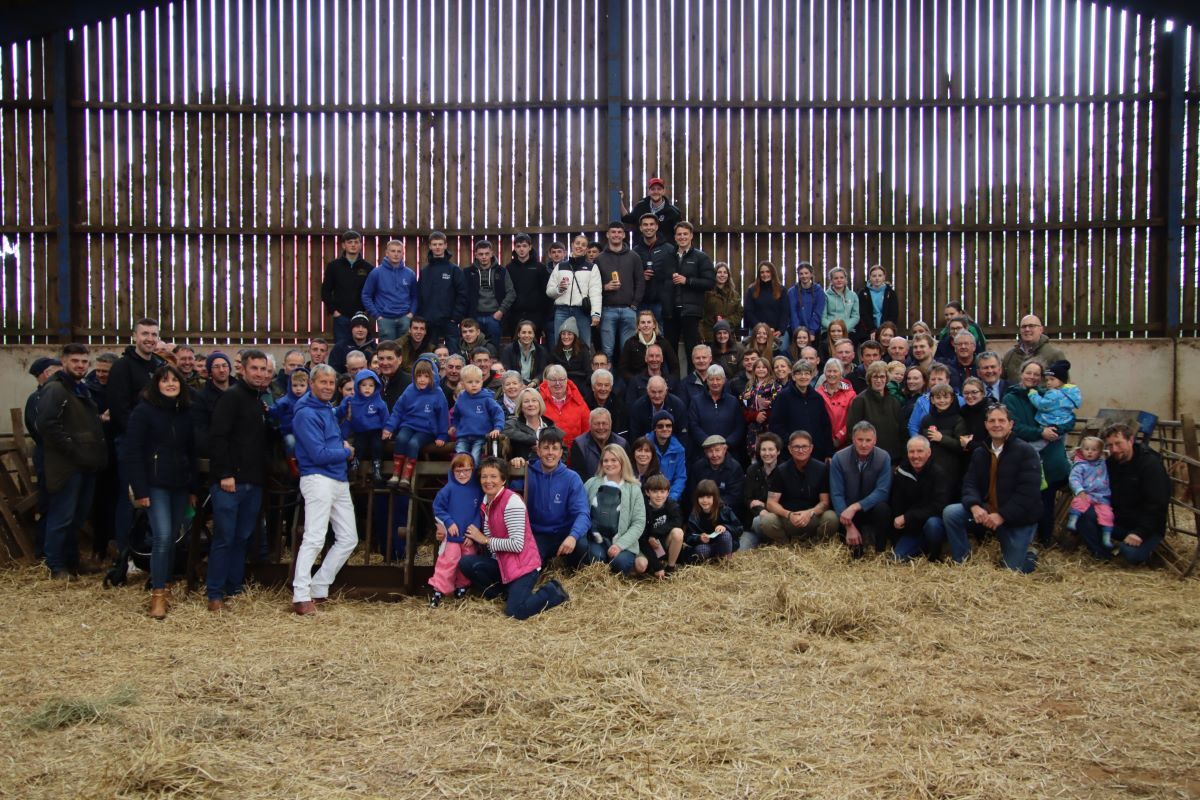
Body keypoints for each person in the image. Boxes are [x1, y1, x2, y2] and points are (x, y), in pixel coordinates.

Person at [120, 364, 195, 617]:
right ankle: (158, 594)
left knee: (173, 537)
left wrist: (193, 486)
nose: (171, 384)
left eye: (175, 380)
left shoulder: (186, 411)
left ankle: (167, 583)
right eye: (165, 380)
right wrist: (140, 489)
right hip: (155, 485)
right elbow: (132, 453)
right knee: (162, 537)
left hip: (180, 484)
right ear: (157, 384)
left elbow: (192, 451)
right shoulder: (144, 412)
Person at [459, 458, 571, 619]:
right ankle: (503, 594)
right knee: (467, 563)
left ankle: (552, 591)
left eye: (493, 476)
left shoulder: (512, 502)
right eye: (484, 476)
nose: (488, 481)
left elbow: (517, 544)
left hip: (522, 566)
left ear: (503, 480)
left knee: (515, 611)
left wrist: (483, 540)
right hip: (502, 563)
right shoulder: (485, 502)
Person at [206, 349, 273, 611]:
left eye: (263, 369)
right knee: (224, 536)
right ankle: (215, 593)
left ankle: (234, 586)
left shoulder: (258, 401)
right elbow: (218, 437)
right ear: (242, 370)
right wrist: (225, 474)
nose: (259, 373)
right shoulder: (230, 398)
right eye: (254, 368)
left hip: (253, 481)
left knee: (242, 536)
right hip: (230, 482)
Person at [289, 364, 357, 615]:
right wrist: (346, 452)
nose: (328, 387)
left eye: (331, 383)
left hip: (337, 479)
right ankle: (301, 593)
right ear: (311, 384)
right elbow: (318, 453)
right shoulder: (306, 413)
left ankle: (318, 585)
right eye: (323, 383)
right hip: (318, 478)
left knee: (349, 538)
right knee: (315, 537)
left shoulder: (325, 408)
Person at [942, 405, 1043, 573]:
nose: (996, 424)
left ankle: (1029, 555)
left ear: (1010, 424)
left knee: (1012, 571)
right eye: (992, 421)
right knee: (951, 513)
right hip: (988, 511)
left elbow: (1028, 493)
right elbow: (970, 483)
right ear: (986, 425)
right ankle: (962, 561)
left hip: (1017, 517)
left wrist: (1002, 515)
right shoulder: (981, 452)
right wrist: (974, 506)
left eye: (1001, 420)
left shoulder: (1026, 451)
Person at [37, 344, 107, 579]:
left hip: (86, 465)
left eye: (84, 362)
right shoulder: (55, 389)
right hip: (66, 467)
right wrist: (73, 450)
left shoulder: (80, 388)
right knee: (62, 517)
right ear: (64, 362)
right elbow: (47, 425)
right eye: (75, 361)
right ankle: (56, 566)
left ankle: (72, 561)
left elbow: (78, 422)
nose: (80, 365)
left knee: (77, 518)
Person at [1075, 423, 1170, 565]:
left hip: (1146, 526)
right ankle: (1102, 556)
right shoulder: (1111, 464)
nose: (1114, 449)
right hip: (1118, 521)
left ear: (1131, 440)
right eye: (1110, 445)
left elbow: (1157, 505)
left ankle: (1144, 551)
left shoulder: (1150, 465)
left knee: (1130, 554)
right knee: (1082, 512)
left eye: (1118, 443)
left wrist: (1140, 532)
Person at [1004, 359, 1071, 547]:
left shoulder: (1050, 396)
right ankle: (1024, 540)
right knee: (1025, 499)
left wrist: (1057, 429)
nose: (1032, 377)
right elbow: (1014, 426)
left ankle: (1045, 542)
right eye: (1029, 372)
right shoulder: (1011, 398)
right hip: (1024, 455)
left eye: (1036, 374)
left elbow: (1067, 417)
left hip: (1048, 456)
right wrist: (1040, 433)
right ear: (1021, 373)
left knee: (1046, 500)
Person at [754, 431, 839, 546]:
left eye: (804, 446)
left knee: (831, 517)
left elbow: (825, 502)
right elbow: (771, 503)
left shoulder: (821, 469)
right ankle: (787, 547)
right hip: (788, 519)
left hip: (812, 518)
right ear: (789, 449)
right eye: (796, 447)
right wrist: (789, 514)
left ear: (811, 448)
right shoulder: (781, 470)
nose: (800, 450)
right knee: (767, 521)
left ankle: (815, 546)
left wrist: (809, 513)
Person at [525, 431, 593, 569]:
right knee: (531, 567)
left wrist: (573, 536)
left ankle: (570, 568)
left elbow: (582, 513)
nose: (550, 453)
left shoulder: (571, 478)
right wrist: (515, 465)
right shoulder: (527, 473)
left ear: (561, 453)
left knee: (582, 546)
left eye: (555, 448)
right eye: (546, 448)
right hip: (537, 534)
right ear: (538, 451)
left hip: (564, 533)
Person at [383, 358, 450, 491]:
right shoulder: (410, 390)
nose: (422, 380)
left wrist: (442, 435)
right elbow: (398, 410)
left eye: (426, 376)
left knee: (413, 443)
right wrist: (389, 427)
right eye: (419, 376)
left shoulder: (438, 393)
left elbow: (443, 416)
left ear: (433, 376)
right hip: (409, 424)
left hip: (426, 430)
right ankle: (396, 473)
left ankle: (406, 477)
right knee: (401, 438)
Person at [830, 422, 893, 556]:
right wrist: (848, 525)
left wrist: (857, 506)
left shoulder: (884, 457)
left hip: (870, 508)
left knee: (883, 508)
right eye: (860, 440)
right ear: (853, 439)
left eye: (868, 440)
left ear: (875, 440)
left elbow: (883, 492)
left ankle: (880, 551)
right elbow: (836, 494)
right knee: (855, 556)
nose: (864, 444)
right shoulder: (839, 458)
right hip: (847, 512)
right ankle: (856, 546)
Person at [584, 445, 647, 575]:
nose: (609, 464)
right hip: (597, 539)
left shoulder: (633, 489)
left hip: (622, 542)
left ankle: (631, 561)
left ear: (622, 462)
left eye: (614, 460)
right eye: (605, 461)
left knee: (620, 563)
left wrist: (620, 545)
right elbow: (582, 510)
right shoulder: (592, 483)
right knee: (596, 560)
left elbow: (639, 522)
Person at [429, 454, 482, 607]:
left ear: (472, 470)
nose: (462, 474)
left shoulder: (477, 490)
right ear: (452, 472)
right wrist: (448, 522)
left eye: (466, 470)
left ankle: (462, 587)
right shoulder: (448, 489)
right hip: (452, 537)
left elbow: (479, 512)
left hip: (468, 537)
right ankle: (439, 589)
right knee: (448, 561)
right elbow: (438, 507)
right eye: (458, 471)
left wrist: (473, 533)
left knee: (468, 560)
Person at [890, 436, 951, 561]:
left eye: (920, 451)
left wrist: (907, 517)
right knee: (897, 558)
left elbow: (939, 507)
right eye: (912, 452)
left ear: (928, 453)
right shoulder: (901, 472)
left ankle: (935, 555)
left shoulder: (938, 473)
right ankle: (918, 548)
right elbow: (896, 503)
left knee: (932, 525)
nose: (915, 456)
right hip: (912, 529)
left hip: (931, 523)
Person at [663, 221, 716, 362]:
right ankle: (672, 382)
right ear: (674, 237)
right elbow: (662, 282)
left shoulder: (701, 257)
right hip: (671, 311)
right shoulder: (668, 257)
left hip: (691, 311)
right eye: (679, 234)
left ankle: (692, 381)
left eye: (685, 234)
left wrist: (687, 281)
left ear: (691, 236)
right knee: (670, 351)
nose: (682, 237)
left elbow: (710, 282)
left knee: (691, 350)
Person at [595, 221, 645, 360]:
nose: (616, 235)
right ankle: (605, 381)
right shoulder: (600, 259)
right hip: (607, 310)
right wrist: (605, 287)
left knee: (627, 351)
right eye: (613, 232)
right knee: (607, 351)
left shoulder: (634, 257)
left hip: (628, 310)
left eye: (619, 232)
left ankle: (626, 381)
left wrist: (634, 304)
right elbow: (593, 286)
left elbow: (640, 282)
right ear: (608, 235)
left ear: (623, 235)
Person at [768, 360, 834, 461]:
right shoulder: (783, 397)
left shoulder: (817, 398)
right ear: (793, 376)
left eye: (807, 373)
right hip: (790, 454)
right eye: (799, 373)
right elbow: (775, 425)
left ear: (811, 376)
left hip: (816, 454)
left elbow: (825, 426)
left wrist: (828, 452)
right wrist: (791, 442)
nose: (803, 377)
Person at [417, 231, 469, 352]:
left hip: (449, 320)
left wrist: (456, 317)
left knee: (454, 354)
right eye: (434, 244)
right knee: (429, 353)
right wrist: (422, 316)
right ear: (430, 246)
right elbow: (419, 295)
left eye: (440, 244)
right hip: (429, 320)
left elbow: (462, 294)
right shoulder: (425, 271)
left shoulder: (454, 270)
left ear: (445, 245)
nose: (437, 247)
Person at [321, 230, 375, 345]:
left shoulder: (368, 268)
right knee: (342, 348)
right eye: (350, 242)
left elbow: (374, 292)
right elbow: (325, 291)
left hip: (361, 317)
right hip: (341, 317)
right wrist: (334, 311)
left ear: (360, 245)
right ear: (343, 245)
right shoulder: (334, 267)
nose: (353, 245)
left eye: (356, 242)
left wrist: (367, 311)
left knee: (362, 349)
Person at [337, 369, 389, 484]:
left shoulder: (379, 402)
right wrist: (343, 406)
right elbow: (340, 412)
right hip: (360, 431)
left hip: (376, 431)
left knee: (377, 446)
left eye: (371, 385)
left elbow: (385, 417)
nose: (367, 388)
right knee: (358, 447)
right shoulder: (352, 400)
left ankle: (377, 469)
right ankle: (354, 467)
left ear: (376, 387)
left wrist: (387, 429)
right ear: (357, 386)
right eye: (364, 385)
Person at [361, 238, 418, 341]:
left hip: (404, 318)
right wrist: (377, 315)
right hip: (385, 318)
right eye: (393, 251)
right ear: (387, 253)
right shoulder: (376, 273)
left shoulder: (410, 274)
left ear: (402, 254)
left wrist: (411, 314)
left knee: (404, 350)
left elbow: (415, 296)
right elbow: (366, 295)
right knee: (387, 351)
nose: (396, 254)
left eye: (399, 251)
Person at [546, 235, 602, 341]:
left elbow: (596, 292)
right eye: (577, 243)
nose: (579, 246)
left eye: (583, 245)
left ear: (586, 249)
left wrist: (596, 313)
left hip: (582, 312)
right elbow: (549, 291)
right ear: (572, 245)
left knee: (584, 344)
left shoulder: (592, 268)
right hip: (561, 311)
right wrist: (559, 289)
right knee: (560, 345)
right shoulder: (560, 266)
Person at [846, 361, 904, 461]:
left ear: (886, 379)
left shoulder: (894, 401)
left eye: (882, 377)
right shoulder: (860, 400)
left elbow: (900, 429)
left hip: (893, 457)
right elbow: (852, 430)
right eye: (875, 377)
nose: (879, 380)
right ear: (869, 379)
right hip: (869, 456)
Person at [462, 239, 516, 344]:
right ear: (476, 255)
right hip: (475, 316)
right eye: (481, 254)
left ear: (491, 253)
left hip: (494, 316)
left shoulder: (502, 271)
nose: (484, 257)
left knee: (493, 348)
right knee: (474, 348)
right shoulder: (468, 272)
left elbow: (511, 293)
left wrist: (501, 311)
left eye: (487, 254)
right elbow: (462, 294)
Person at [917, 384, 967, 495]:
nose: (942, 401)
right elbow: (919, 442)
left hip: (950, 470)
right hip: (929, 469)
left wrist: (941, 438)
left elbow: (961, 446)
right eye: (938, 398)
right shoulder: (927, 419)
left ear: (952, 399)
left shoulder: (958, 420)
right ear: (932, 400)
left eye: (945, 397)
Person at [449, 365, 505, 464]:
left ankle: (473, 477)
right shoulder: (461, 399)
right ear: (463, 384)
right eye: (470, 382)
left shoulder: (487, 399)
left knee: (475, 458)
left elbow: (498, 413)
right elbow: (456, 415)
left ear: (482, 382)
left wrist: (497, 428)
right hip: (463, 436)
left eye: (477, 382)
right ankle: (462, 477)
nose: (474, 385)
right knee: (460, 457)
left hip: (480, 436)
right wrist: (454, 426)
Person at [1066, 436, 1115, 548]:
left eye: (1094, 450)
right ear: (1082, 450)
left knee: (1107, 514)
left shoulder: (1103, 464)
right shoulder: (1080, 466)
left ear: (1100, 452)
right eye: (1087, 449)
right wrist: (1079, 490)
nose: (1090, 452)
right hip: (1086, 493)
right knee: (1079, 502)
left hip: (1101, 496)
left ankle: (1106, 536)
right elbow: (1074, 479)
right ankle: (1073, 521)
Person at [502, 387, 562, 469]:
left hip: (548, 473)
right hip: (522, 473)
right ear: (521, 406)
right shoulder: (512, 424)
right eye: (526, 401)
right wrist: (533, 440)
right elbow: (505, 431)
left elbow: (563, 453)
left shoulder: (551, 427)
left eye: (534, 400)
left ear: (540, 404)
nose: (531, 404)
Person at [504, 234, 552, 338]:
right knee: (516, 346)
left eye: (524, 246)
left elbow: (545, 293)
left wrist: (544, 317)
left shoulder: (540, 267)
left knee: (534, 346)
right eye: (518, 246)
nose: (521, 249)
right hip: (515, 315)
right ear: (515, 248)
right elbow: (506, 292)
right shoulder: (509, 268)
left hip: (535, 315)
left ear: (530, 247)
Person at [741, 433, 782, 548]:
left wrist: (764, 506)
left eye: (771, 449)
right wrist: (761, 511)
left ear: (778, 451)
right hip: (753, 524)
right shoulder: (752, 470)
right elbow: (748, 499)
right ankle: (763, 543)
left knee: (761, 520)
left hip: (777, 521)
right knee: (740, 551)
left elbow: (787, 501)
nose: (767, 453)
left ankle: (774, 542)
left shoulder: (784, 471)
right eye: (763, 449)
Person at [688, 434, 745, 517]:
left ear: (725, 449)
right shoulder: (697, 467)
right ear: (705, 452)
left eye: (717, 450)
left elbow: (735, 496)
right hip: (702, 509)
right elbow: (693, 492)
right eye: (710, 451)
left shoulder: (735, 468)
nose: (714, 455)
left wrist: (714, 504)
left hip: (727, 511)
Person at [740, 356, 784, 462]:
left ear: (768, 370)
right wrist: (744, 397)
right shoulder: (750, 385)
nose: (761, 369)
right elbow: (742, 401)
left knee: (769, 448)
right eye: (758, 367)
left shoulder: (774, 385)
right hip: (753, 426)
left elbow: (779, 401)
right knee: (754, 450)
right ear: (754, 370)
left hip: (768, 424)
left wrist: (770, 404)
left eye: (764, 367)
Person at [537, 364, 591, 450]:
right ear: (547, 381)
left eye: (561, 379)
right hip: (547, 455)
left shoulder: (578, 400)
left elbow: (588, 430)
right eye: (553, 380)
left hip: (575, 454)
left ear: (566, 380)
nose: (558, 383)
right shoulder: (538, 401)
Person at [686, 480, 740, 563]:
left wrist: (725, 527)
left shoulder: (724, 510)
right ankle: (712, 561)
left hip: (723, 545)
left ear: (715, 498)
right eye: (701, 497)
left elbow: (739, 528)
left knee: (725, 535)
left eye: (708, 497)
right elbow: (688, 536)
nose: (704, 501)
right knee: (701, 550)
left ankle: (726, 560)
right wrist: (699, 538)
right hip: (707, 547)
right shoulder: (694, 514)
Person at [1001, 315, 1067, 383]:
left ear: (1041, 330)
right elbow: (1001, 383)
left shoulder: (1054, 354)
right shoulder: (1010, 356)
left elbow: (1065, 385)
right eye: (1024, 327)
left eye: (1031, 326)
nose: (1027, 329)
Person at [743, 261, 791, 355]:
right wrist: (762, 329)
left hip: (777, 332)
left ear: (772, 273)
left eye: (768, 272)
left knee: (782, 352)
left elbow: (785, 312)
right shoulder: (752, 290)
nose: (765, 274)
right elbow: (748, 312)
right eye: (762, 272)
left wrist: (780, 330)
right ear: (759, 274)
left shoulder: (781, 290)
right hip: (757, 330)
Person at [641, 474, 685, 576]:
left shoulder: (672, 505)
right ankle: (653, 567)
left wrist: (655, 534)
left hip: (663, 542)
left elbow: (677, 522)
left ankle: (670, 567)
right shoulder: (642, 507)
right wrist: (657, 567)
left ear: (668, 492)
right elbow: (642, 538)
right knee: (640, 567)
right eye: (655, 491)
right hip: (646, 545)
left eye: (662, 491)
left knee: (678, 532)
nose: (659, 495)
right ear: (647, 492)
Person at [268, 367, 309, 475]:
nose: (298, 389)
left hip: (306, 432)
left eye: (302, 385)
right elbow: (275, 410)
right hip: (289, 431)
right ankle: (292, 463)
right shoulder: (285, 400)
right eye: (295, 385)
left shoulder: (310, 401)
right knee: (291, 442)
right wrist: (268, 410)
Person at [1026, 360, 1081, 440]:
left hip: (1051, 424)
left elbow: (1041, 405)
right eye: (1047, 380)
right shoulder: (1072, 392)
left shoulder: (1054, 393)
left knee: (1035, 447)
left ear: (1061, 380)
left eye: (1052, 379)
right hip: (1063, 424)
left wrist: (1033, 394)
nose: (1048, 382)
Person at [619, 309, 680, 380]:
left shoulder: (663, 343)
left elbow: (675, 367)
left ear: (654, 325)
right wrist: (634, 382)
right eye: (643, 322)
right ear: (638, 326)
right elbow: (622, 368)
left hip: (658, 384)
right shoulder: (630, 343)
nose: (646, 325)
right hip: (637, 384)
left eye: (649, 322)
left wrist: (668, 382)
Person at [569, 407, 627, 482]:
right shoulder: (579, 444)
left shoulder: (622, 444)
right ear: (590, 425)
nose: (601, 427)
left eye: (604, 423)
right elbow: (578, 476)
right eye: (596, 424)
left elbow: (627, 472)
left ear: (610, 424)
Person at [907, 362, 962, 438]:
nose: (936, 382)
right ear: (928, 381)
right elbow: (913, 426)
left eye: (940, 379)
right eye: (933, 379)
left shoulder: (960, 400)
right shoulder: (921, 401)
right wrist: (920, 444)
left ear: (948, 380)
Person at [817, 358, 856, 449]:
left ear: (841, 373)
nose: (831, 374)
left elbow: (854, 418)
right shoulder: (817, 394)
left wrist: (839, 437)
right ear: (824, 373)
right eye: (829, 371)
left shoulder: (851, 394)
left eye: (835, 371)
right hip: (823, 443)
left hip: (845, 443)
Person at [649, 410, 688, 501]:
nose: (665, 428)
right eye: (660, 426)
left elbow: (680, 477)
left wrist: (671, 498)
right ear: (654, 428)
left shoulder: (679, 449)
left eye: (668, 426)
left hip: (670, 497)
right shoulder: (645, 445)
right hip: (648, 495)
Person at [699, 261, 743, 343]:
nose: (722, 275)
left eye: (725, 272)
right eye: (719, 272)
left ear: (728, 275)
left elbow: (739, 313)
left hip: (728, 335)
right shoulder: (707, 293)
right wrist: (701, 334)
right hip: (709, 335)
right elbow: (701, 315)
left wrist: (725, 321)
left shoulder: (734, 295)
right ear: (715, 275)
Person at [855, 264, 899, 343]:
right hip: (868, 330)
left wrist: (885, 330)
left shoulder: (890, 293)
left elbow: (893, 313)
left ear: (884, 277)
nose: (877, 278)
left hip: (886, 330)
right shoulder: (863, 293)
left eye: (880, 275)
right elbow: (863, 313)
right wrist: (872, 329)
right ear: (870, 277)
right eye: (874, 276)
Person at [548, 317, 592, 389]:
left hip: (580, 386)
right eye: (563, 334)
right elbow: (550, 372)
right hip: (560, 387)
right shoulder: (554, 351)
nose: (566, 337)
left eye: (569, 334)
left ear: (575, 336)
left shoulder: (583, 350)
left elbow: (588, 372)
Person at [501, 319, 549, 385]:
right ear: (518, 334)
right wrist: (519, 383)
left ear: (534, 334)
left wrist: (534, 382)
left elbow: (542, 371)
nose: (526, 335)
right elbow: (507, 370)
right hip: (514, 385)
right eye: (523, 332)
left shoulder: (541, 351)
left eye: (530, 332)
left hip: (534, 386)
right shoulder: (508, 350)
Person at [584, 367, 627, 436]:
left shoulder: (620, 407)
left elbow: (622, 434)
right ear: (593, 387)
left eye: (606, 385)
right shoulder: (584, 406)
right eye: (599, 385)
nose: (603, 389)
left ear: (611, 388)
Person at [788, 262, 825, 341]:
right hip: (796, 332)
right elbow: (793, 313)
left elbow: (818, 312)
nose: (804, 276)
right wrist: (797, 331)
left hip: (814, 332)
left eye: (806, 273)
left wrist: (811, 331)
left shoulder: (819, 291)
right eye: (801, 274)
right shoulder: (792, 292)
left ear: (811, 274)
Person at [374, 340, 412, 410]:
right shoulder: (373, 382)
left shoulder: (410, 383)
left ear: (400, 360)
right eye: (381, 358)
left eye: (389, 358)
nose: (385, 363)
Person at [821, 267, 859, 336]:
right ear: (831, 280)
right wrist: (834, 329)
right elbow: (823, 317)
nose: (839, 280)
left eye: (841, 277)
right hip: (829, 331)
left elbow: (855, 316)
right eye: (836, 278)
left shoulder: (853, 295)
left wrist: (844, 329)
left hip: (848, 330)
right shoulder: (825, 296)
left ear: (845, 279)